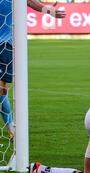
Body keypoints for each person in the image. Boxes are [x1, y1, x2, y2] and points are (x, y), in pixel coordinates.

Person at [0, 1, 66, 139]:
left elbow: (29, 1)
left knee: (0, 90)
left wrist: (49, 11)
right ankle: (11, 127)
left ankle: (11, 126)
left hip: (4, 44)